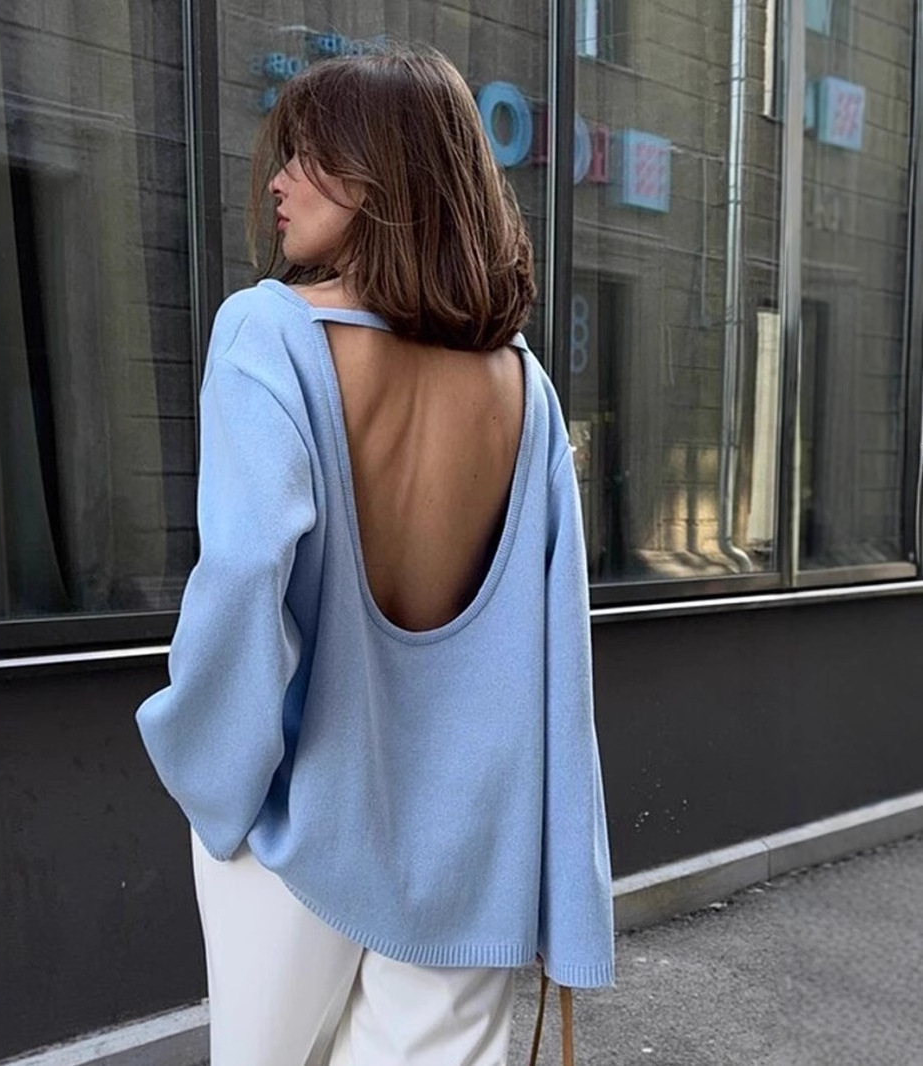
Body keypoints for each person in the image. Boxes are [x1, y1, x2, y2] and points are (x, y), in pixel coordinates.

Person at [136, 45, 614, 1066]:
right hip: (472, 858)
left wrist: (206, 770)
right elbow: (559, 657)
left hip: (297, 832)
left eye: (306, 155)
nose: (278, 180)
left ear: (379, 176)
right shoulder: (524, 390)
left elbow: (242, 578)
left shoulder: (266, 334)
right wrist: (565, 890)